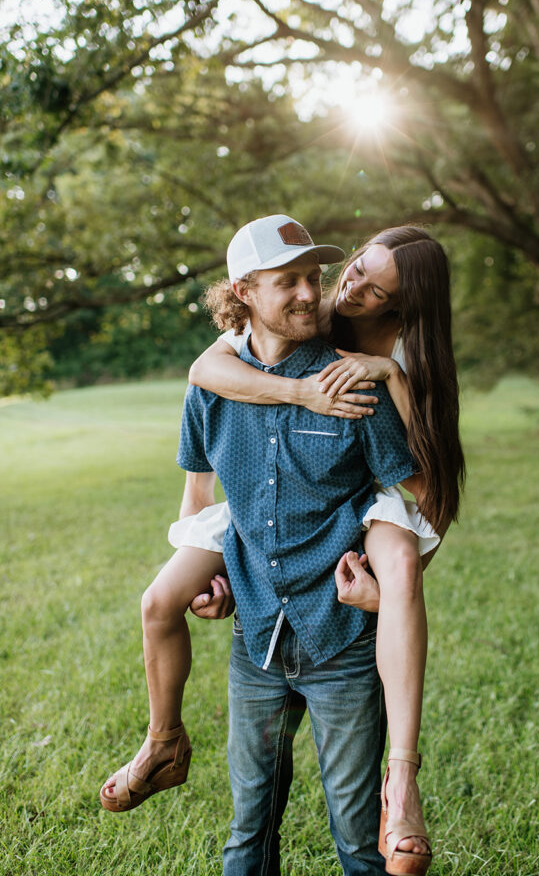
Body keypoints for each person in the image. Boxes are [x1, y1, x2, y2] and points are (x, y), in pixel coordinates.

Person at [100, 217, 465, 876]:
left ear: (404, 307)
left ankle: (402, 783)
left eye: (370, 290)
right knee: (160, 601)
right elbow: (206, 400)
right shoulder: (252, 353)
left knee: (403, 561)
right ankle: (162, 741)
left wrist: (392, 379)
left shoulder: (384, 376)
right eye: (354, 269)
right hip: (261, 588)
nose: (340, 291)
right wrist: (214, 571)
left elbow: (432, 497)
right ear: (247, 290)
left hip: (356, 564)